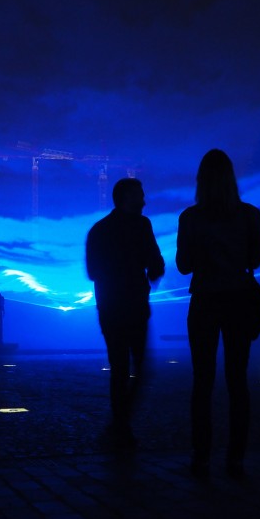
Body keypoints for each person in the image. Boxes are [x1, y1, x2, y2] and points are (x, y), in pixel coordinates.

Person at [176, 149, 260, 479]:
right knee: (238, 380)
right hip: (239, 300)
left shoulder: (190, 217)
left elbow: (184, 266)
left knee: (203, 380)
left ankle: (201, 455)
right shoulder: (250, 214)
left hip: (205, 300)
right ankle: (236, 457)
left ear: (201, 180)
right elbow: (255, 260)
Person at [86, 178, 165, 447]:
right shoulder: (142, 226)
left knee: (119, 368)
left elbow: (92, 272)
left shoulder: (100, 229)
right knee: (139, 367)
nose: (144, 201)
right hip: (135, 305)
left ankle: (120, 423)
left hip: (111, 307)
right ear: (127, 198)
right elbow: (155, 263)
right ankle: (121, 423)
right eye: (140, 195)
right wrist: (147, 272)